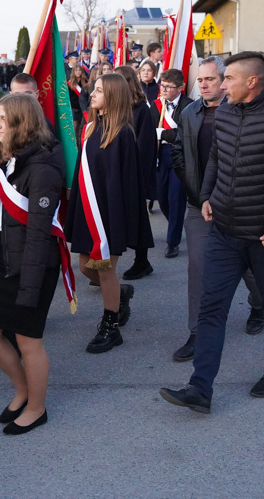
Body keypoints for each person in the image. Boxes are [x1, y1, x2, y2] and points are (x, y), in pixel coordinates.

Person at [159, 52, 264, 414]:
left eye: (228, 78)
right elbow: (216, 157)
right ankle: (200, 388)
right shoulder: (227, 113)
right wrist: (206, 196)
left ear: (252, 81)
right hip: (224, 232)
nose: (222, 84)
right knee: (211, 308)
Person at [0, 93, 64, 435]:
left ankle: (36, 408)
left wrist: (30, 284)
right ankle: (22, 389)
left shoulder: (43, 168)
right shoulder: (6, 160)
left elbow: (39, 234)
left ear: (21, 124)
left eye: (2, 120)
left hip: (33, 267)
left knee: (28, 340)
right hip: (3, 261)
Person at [169, 57, 264, 363]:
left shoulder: (243, 112)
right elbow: (178, 150)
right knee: (197, 266)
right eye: (201, 80)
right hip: (199, 205)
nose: (205, 84)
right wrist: (192, 186)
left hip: (239, 207)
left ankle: (259, 304)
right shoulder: (189, 113)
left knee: (249, 266)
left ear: (226, 80)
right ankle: (197, 332)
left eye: (211, 79)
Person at [65, 73, 152, 353]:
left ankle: (110, 326)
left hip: (108, 216)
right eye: (94, 89)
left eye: (99, 90)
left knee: (104, 270)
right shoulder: (91, 127)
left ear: (112, 96)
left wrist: (120, 220)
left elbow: (126, 182)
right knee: (85, 267)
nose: (92, 94)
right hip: (88, 211)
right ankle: (120, 292)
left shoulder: (123, 133)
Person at [114, 65, 158, 280]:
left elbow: (145, 147)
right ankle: (103, 266)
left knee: (138, 217)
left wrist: (132, 175)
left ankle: (142, 261)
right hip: (113, 174)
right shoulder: (112, 110)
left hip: (133, 175)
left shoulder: (140, 110)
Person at [151, 68, 193, 258]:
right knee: (162, 197)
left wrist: (163, 134)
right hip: (161, 155)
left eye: (168, 87)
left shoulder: (189, 106)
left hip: (179, 157)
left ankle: (172, 241)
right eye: (163, 86)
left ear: (180, 88)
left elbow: (186, 134)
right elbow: (150, 130)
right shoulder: (157, 106)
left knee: (176, 197)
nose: (164, 90)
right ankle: (174, 225)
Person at [68, 63, 88, 143]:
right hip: (74, 107)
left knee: (81, 126)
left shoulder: (85, 81)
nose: (78, 72)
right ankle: (75, 142)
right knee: (75, 127)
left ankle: (80, 142)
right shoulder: (70, 83)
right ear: (73, 72)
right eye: (76, 70)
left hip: (82, 107)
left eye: (79, 70)